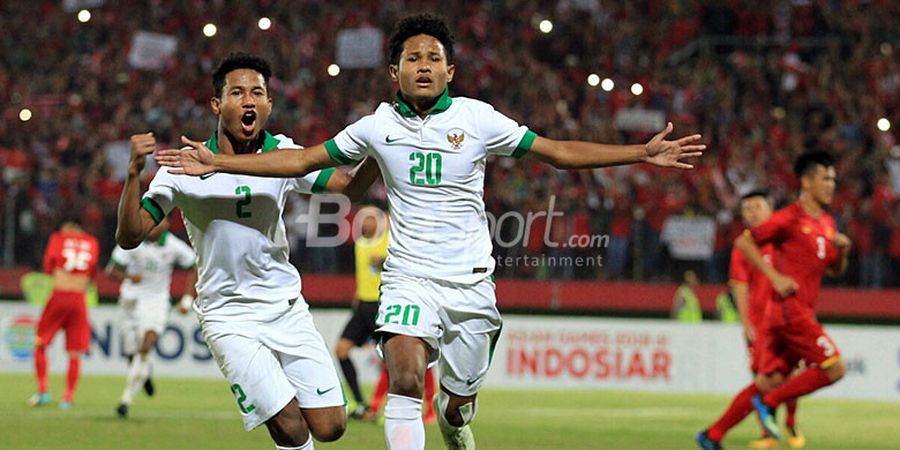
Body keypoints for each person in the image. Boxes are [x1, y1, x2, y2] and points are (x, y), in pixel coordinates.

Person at [155, 15, 704, 450]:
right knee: (406, 375)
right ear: (393, 72)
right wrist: (220, 166)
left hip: (470, 285)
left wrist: (640, 153)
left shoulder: (479, 118)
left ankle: (456, 414)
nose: (423, 65)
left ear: (450, 72)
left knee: (456, 401)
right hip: (408, 278)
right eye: (412, 58)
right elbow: (304, 164)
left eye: (433, 58)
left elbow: (558, 153)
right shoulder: (377, 126)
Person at [116, 52, 378, 450]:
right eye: (237, 92)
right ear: (217, 104)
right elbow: (131, 235)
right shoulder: (181, 168)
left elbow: (352, 187)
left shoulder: (284, 157)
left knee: (331, 426)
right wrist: (134, 173)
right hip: (229, 316)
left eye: (258, 92)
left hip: (286, 308)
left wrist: (382, 146)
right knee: (290, 427)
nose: (249, 100)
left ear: (270, 104)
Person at [697, 152, 849, 450]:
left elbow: (834, 268)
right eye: (825, 178)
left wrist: (843, 251)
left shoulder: (827, 223)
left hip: (793, 312)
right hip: (788, 313)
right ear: (806, 182)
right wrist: (774, 277)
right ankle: (770, 409)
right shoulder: (790, 216)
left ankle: (712, 435)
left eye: (833, 178)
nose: (831, 184)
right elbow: (744, 241)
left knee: (770, 380)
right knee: (835, 368)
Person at [697, 191, 803, 449]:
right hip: (762, 324)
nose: (751, 213)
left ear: (771, 208)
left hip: (788, 318)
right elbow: (740, 286)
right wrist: (746, 323)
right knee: (764, 379)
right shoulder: (744, 244)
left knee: (789, 374)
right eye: (746, 209)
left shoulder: (784, 237)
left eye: (757, 206)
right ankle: (765, 433)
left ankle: (787, 421)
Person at [107, 217, 198, 418]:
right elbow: (111, 271)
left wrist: (188, 298)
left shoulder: (173, 246)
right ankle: (144, 373)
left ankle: (125, 401)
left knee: (145, 345)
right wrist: (129, 277)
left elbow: (195, 265)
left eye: (158, 222)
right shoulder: (133, 241)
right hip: (129, 300)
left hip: (156, 301)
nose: (152, 225)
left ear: (166, 224)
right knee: (133, 354)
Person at [28, 214, 100, 410]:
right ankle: (67, 398)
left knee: (40, 343)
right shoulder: (92, 242)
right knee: (75, 353)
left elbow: (48, 266)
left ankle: (43, 391)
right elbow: (93, 273)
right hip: (79, 299)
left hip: (60, 295)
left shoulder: (58, 238)